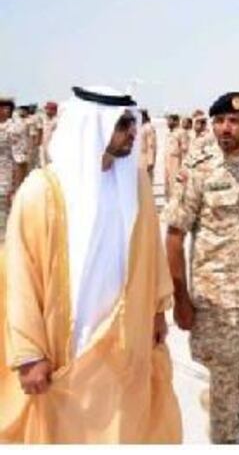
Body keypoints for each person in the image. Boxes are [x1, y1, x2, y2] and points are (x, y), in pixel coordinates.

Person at [0, 85, 181, 442]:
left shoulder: (136, 182)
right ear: (94, 128)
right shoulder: (42, 191)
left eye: (132, 123)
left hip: (122, 338)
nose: (133, 133)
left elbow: (150, 251)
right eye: (123, 125)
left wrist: (158, 310)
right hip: (65, 343)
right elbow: (20, 277)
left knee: (122, 427)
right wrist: (29, 353)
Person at [165, 92, 239, 443]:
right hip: (216, 299)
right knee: (226, 374)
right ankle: (226, 432)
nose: (224, 128)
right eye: (219, 121)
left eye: (233, 121)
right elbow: (173, 237)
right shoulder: (198, 168)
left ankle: (220, 402)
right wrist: (180, 299)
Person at [0, 97, 28, 242]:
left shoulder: (15, 129)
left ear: (6, 110)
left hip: (5, 183)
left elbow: (21, 161)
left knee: (4, 224)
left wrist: (18, 189)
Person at [164, 113, 184, 200]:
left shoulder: (181, 133)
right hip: (168, 163)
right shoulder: (170, 133)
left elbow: (184, 151)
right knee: (169, 187)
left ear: (175, 121)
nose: (167, 123)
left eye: (169, 120)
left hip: (177, 164)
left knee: (176, 188)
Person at [138, 109, 157, 183]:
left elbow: (151, 145)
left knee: (146, 181)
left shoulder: (148, 127)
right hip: (139, 157)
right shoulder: (140, 127)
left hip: (145, 157)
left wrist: (150, 161)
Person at [41, 101, 58, 166]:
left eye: (49, 109)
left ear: (54, 110)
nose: (47, 111)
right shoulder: (44, 119)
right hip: (44, 145)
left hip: (53, 146)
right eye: (46, 109)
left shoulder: (57, 121)